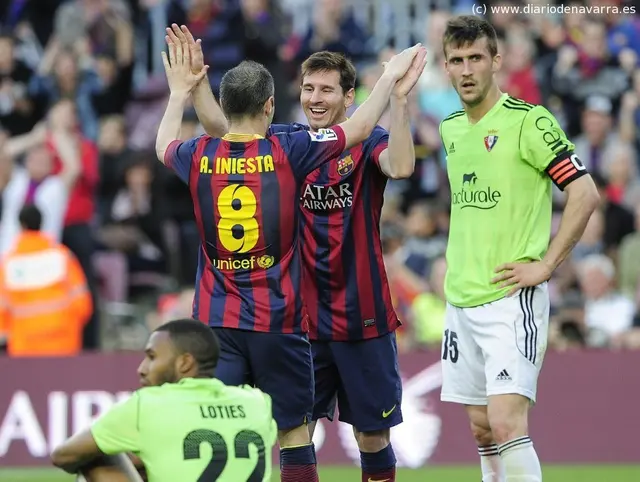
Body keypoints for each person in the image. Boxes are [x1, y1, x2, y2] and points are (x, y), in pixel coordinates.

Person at [155, 31, 426, 482]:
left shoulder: (360, 141)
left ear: (348, 95)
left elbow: (399, 166)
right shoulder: (285, 142)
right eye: (308, 88)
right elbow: (228, 132)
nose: (315, 98)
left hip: (360, 313)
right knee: (294, 433)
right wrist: (198, 87)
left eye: (326, 89)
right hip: (299, 318)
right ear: (284, 99)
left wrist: (397, 101)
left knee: (372, 438)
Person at [438, 16, 599, 482]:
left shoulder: (529, 121)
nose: (466, 69)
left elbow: (584, 193)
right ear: (446, 68)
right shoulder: (451, 129)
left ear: (496, 62)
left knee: (507, 422)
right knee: (482, 428)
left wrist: (546, 264)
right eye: (457, 60)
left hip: (511, 298)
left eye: (475, 58)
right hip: (461, 299)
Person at [51, 318, 277, 482]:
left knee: (95, 458)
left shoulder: (148, 404)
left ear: (184, 363)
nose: (142, 369)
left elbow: (63, 455)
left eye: (151, 357)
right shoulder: (257, 402)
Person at [0, 204, 92, 356]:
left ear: (22, 225)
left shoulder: (9, 265)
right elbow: (83, 304)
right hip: (64, 344)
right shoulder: (63, 257)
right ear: (41, 224)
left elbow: (2, 314)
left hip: (24, 350)